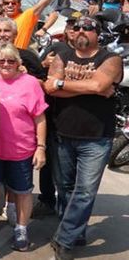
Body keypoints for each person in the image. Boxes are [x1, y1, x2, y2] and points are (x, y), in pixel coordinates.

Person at [44, 16, 122, 260]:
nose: (80, 31)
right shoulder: (62, 55)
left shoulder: (111, 58)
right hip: (62, 133)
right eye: (77, 27)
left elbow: (99, 86)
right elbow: (49, 87)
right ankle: (75, 233)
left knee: (85, 191)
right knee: (64, 188)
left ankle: (64, 239)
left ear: (97, 33)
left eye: (87, 28)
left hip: (96, 137)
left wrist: (62, 84)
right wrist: (89, 86)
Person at [0, 43, 47, 252]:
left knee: (22, 192)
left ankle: (21, 229)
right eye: (1, 60)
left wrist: (40, 147)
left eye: (11, 60)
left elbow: (40, 118)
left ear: (18, 63)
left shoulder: (30, 83)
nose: (6, 64)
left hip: (21, 150)